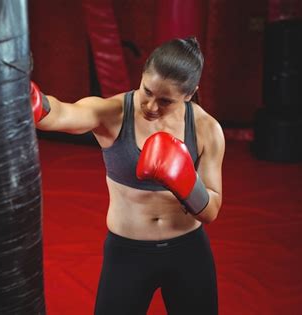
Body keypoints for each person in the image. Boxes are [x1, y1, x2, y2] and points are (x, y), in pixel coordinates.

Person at [31, 37, 225, 315]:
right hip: (128, 252)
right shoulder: (114, 113)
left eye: (166, 101)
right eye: (147, 91)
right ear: (142, 74)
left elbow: (211, 210)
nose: (151, 106)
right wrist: (35, 102)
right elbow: (63, 113)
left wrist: (186, 183)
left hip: (188, 250)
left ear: (190, 93)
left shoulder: (207, 129)